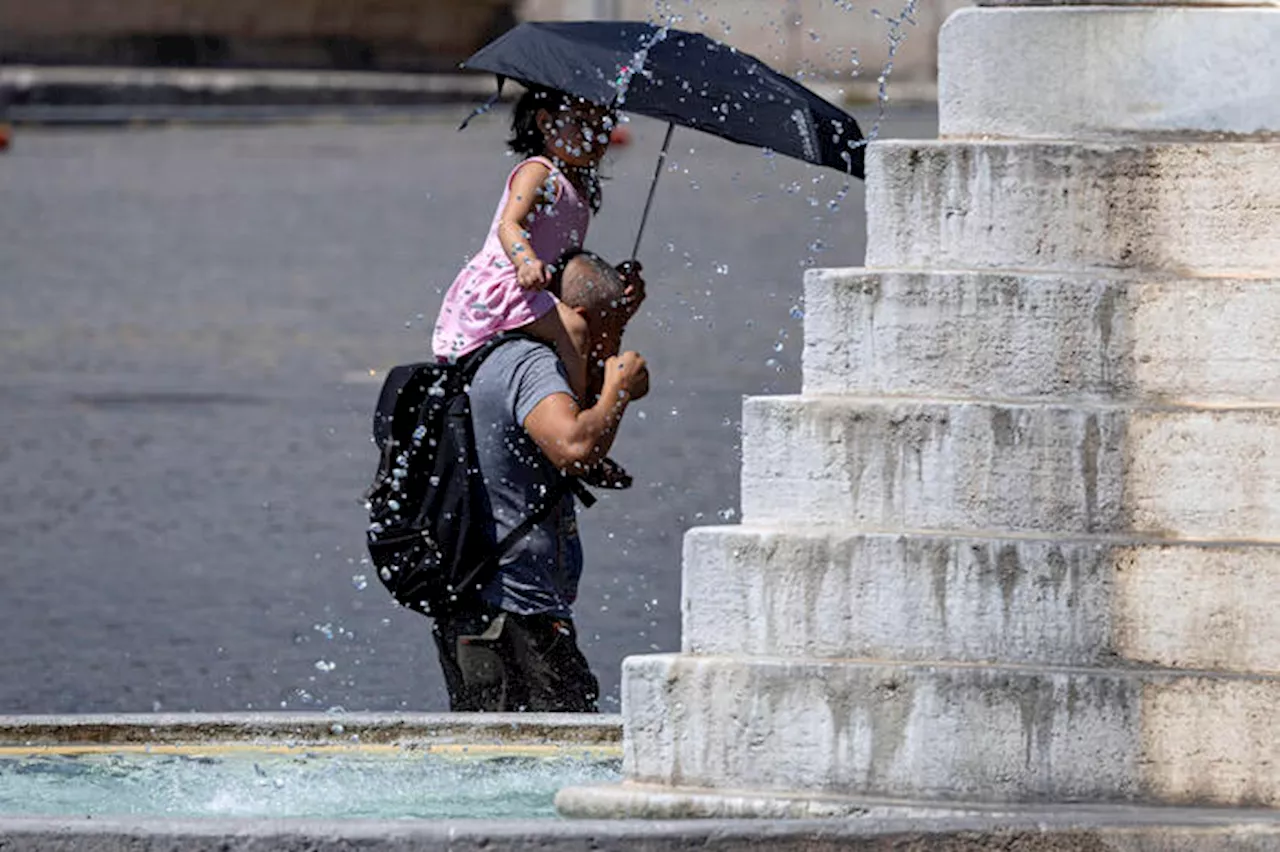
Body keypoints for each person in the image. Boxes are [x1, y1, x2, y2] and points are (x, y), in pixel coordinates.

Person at [431, 250, 648, 712]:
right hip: (511, 612)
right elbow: (574, 447)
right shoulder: (530, 365)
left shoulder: (508, 355)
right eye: (617, 330)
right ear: (584, 319)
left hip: (493, 609)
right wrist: (619, 388)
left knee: (501, 761)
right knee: (560, 751)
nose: (615, 345)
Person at [431, 84, 638, 487]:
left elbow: (568, 261)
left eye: (604, 124)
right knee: (576, 331)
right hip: (507, 283)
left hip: (539, 285)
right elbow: (510, 225)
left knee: (596, 328)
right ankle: (578, 424)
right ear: (545, 122)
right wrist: (526, 262)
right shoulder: (538, 171)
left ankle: (593, 415)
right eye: (583, 123)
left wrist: (614, 282)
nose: (596, 134)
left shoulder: (577, 186)